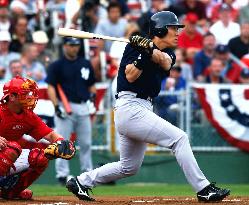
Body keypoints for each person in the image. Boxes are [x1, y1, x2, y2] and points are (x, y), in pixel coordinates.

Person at [66, 11, 230, 202]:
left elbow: (165, 62)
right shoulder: (134, 48)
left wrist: (150, 49)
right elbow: (130, 76)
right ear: (160, 30)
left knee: (129, 167)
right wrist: (143, 54)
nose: (177, 33)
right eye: (173, 29)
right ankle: (203, 189)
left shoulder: (169, 54)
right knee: (180, 138)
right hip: (130, 107)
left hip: (142, 108)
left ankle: (81, 181)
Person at [0, 76, 75, 199]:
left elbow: (50, 135)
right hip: (8, 152)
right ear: (12, 97)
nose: (30, 97)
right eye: (25, 94)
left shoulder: (28, 116)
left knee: (40, 158)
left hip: (6, 155)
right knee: (13, 148)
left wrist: (63, 143)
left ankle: (11, 192)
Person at [46, 37, 96, 185]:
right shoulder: (57, 65)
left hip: (83, 106)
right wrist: (56, 106)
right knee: (63, 142)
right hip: (65, 106)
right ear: (65, 46)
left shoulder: (85, 64)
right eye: (71, 45)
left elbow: (91, 85)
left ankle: (87, 172)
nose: (74, 48)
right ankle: (62, 174)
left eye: (76, 45)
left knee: (86, 142)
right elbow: (51, 87)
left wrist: (92, 98)